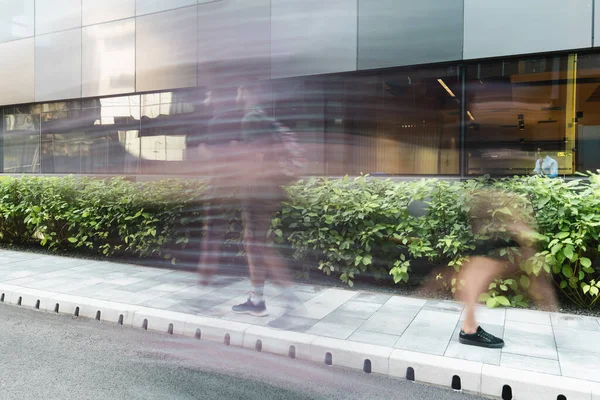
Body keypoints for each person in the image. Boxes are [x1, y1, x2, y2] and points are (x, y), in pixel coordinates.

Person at [457, 186, 557, 348]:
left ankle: (469, 327)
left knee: (485, 267)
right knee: (482, 268)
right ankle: (469, 329)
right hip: (486, 209)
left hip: (488, 207)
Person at [231, 82, 299, 316]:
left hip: (257, 189)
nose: (237, 92)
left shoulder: (250, 118)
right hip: (270, 189)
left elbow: (257, 155)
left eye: (240, 88)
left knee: (254, 244)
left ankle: (262, 300)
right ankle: (263, 297)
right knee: (260, 244)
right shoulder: (264, 118)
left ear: (248, 90)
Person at [196, 87, 244, 286]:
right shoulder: (234, 120)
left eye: (208, 94)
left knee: (213, 228)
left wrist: (205, 151)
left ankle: (205, 273)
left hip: (220, 183)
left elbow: (215, 152)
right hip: (236, 182)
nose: (205, 99)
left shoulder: (216, 122)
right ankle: (207, 271)